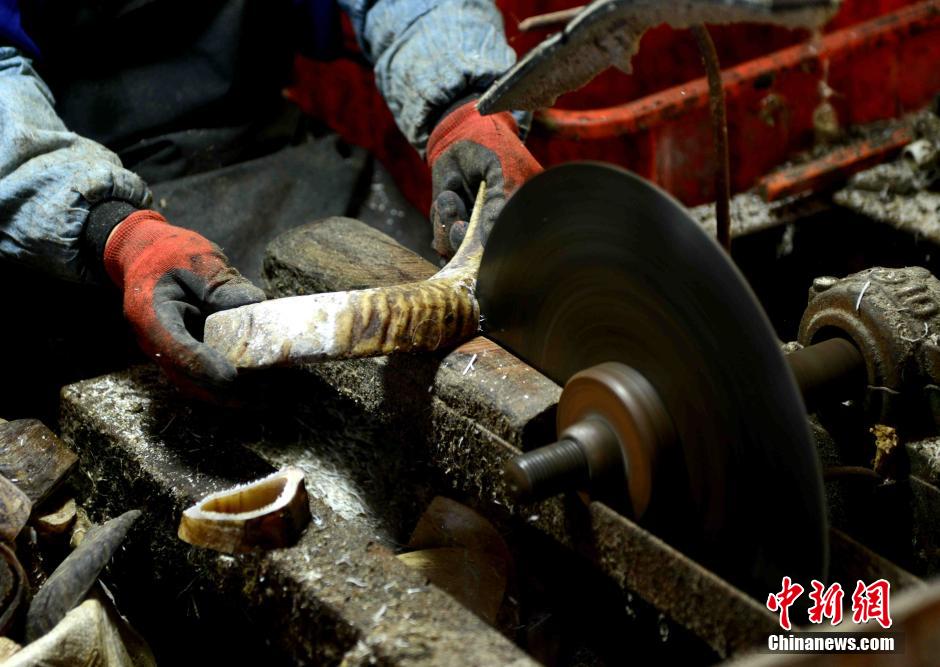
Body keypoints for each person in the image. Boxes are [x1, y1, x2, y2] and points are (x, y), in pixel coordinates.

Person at [0, 0, 542, 401]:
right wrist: (116, 235)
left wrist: (463, 104)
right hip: (76, 203)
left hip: (272, 141)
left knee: (474, 333)